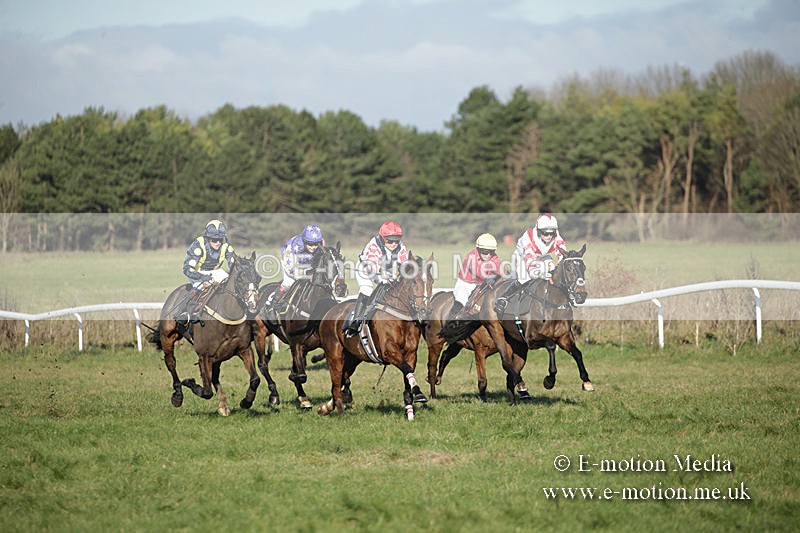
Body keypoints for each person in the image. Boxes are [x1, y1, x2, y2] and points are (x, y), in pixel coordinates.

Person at [344, 221, 410, 336]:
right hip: (365, 269)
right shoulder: (374, 245)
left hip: (386, 268)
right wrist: (384, 276)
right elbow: (372, 265)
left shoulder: (400, 246)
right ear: (383, 238)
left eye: (396, 240)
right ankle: (356, 320)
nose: (394, 244)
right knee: (367, 290)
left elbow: (405, 262)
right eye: (390, 240)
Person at [494, 213, 566, 315]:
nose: (549, 236)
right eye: (545, 233)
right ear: (538, 231)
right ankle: (503, 298)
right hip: (523, 257)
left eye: (552, 233)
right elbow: (531, 266)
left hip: (542, 256)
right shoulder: (528, 238)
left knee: (555, 275)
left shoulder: (556, 235)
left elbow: (563, 253)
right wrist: (543, 273)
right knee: (525, 278)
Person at [178, 219, 236, 323]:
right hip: (198, 272)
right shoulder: (198, 245)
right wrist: (202, 277)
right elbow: (187, 269)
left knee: (230, 283)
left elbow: (233, 264)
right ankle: (186, 312)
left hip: (216, 271)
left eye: (220, 239)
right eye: (214, 240)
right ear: (208, 238)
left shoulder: (226, 244)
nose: (218, 243)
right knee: (200, 287)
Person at [269, 224, 325, 312]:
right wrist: (304, 274)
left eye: (316, 244)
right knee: (289, 283)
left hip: (308, 261)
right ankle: (273, 304)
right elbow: (291, 269)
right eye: (310, 244)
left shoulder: (321, 244)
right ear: (304, 241)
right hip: (291, 262)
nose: (313, 247)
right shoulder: (294, 247)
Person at [448, 233, 502, 321]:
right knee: (462, 297)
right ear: (478, 249)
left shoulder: (493, 256)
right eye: (485, 252)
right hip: (466, 284)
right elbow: (479, 272)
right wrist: (490, 277)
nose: (488, 255)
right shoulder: (471, 257)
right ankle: (452, 319)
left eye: (491, 251)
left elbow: (499, 269)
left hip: (482, 283)